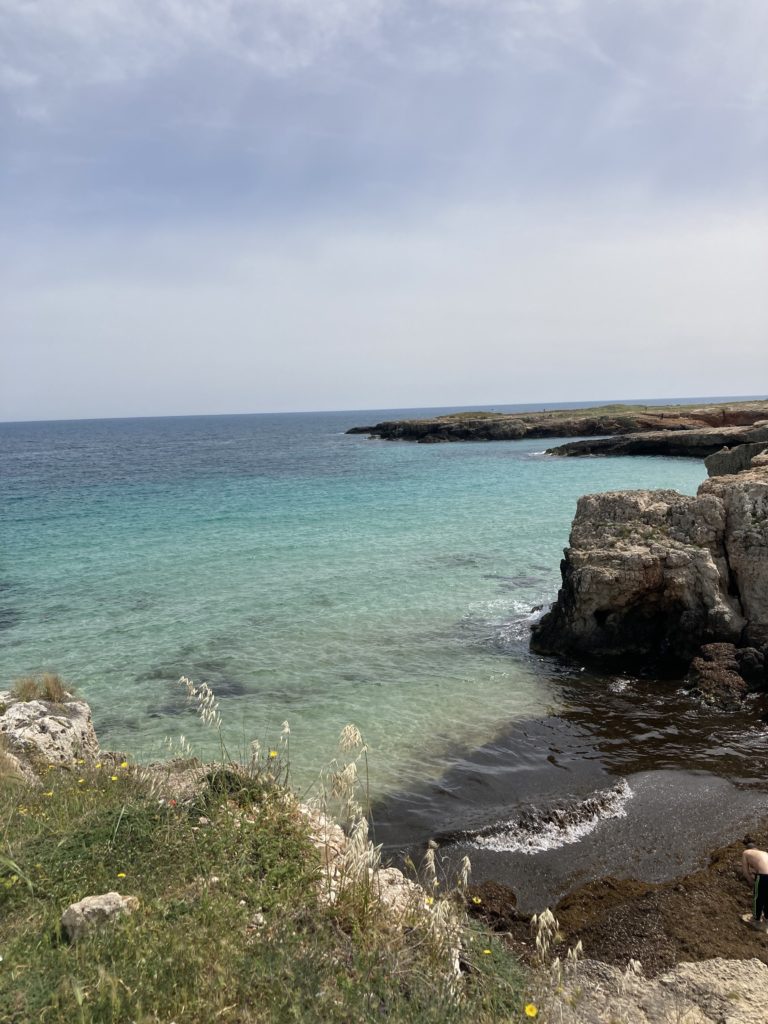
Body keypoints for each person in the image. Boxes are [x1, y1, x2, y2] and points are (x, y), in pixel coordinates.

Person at [741, 839, 768, 930]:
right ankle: (767, 917)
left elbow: (745, 871)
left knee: (758, 897)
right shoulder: (763, 853)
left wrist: (750, 881)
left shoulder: (746, 852)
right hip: (765, 874)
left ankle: (756, 918)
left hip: (764, 876)